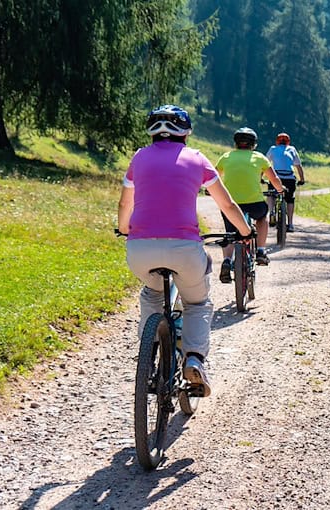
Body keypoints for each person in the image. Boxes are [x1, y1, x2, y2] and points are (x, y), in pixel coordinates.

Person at [117, 105, 254, 398]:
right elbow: (227, 205)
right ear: (186, 132)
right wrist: (245, 232)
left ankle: (150, 350)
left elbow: (124, 205)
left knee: (151, 293)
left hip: (140, 250)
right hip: (184, 249)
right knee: (197, 302)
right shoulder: (197, 159)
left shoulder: (139, 158)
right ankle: (193, 359)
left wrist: (125, 229)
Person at [216, 127, 285, 282]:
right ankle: (260, 250)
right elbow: (274, 180)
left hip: (231, 204)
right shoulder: (259, 157)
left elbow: (215, 178)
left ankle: (227, 261)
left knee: (230, 232)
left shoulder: (226, 157)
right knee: (262, 218)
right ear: (254, 144)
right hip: (255, 204)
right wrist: (280, 189)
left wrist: (210, 191)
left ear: (235, 143)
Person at [265, 132, 306, 232]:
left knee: (271, 194)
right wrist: (302, 179)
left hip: (276, 177)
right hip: (289, 178)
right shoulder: (292, 149)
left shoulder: (273, 149)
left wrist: (260, 178)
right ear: (288, 142)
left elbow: (265, 164)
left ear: (277, 142)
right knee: (290, 199)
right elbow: (298, 166)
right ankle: (291, 223)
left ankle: (271, 212)